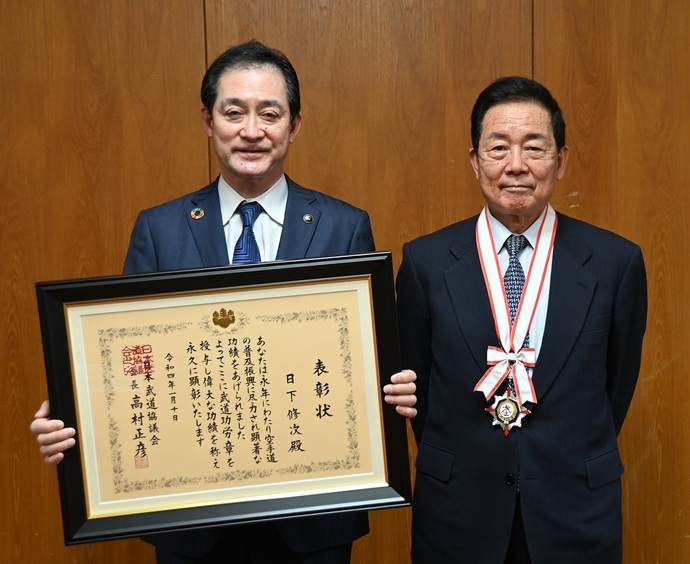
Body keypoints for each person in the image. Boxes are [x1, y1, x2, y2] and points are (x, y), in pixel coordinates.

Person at [31, 40, 414, 564]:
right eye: (233, 112)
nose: (251, 131)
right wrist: (78, 405)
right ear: (208, 122)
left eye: (270, 114)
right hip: (191, 518)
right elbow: (126, 361)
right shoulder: (159, 229)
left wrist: (392, 385)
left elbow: (361, 360)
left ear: (295, 125)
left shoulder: (344, 226)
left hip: (312, 517)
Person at [389, 76, 647, 563]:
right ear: (474, 160)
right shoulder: (426, 263)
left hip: (575, 511)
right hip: (459, 510)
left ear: (561, 160)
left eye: (534, 148)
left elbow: (615, 387)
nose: (516, 166)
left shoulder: (615, 263)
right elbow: (418, 389)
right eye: (498, 147)